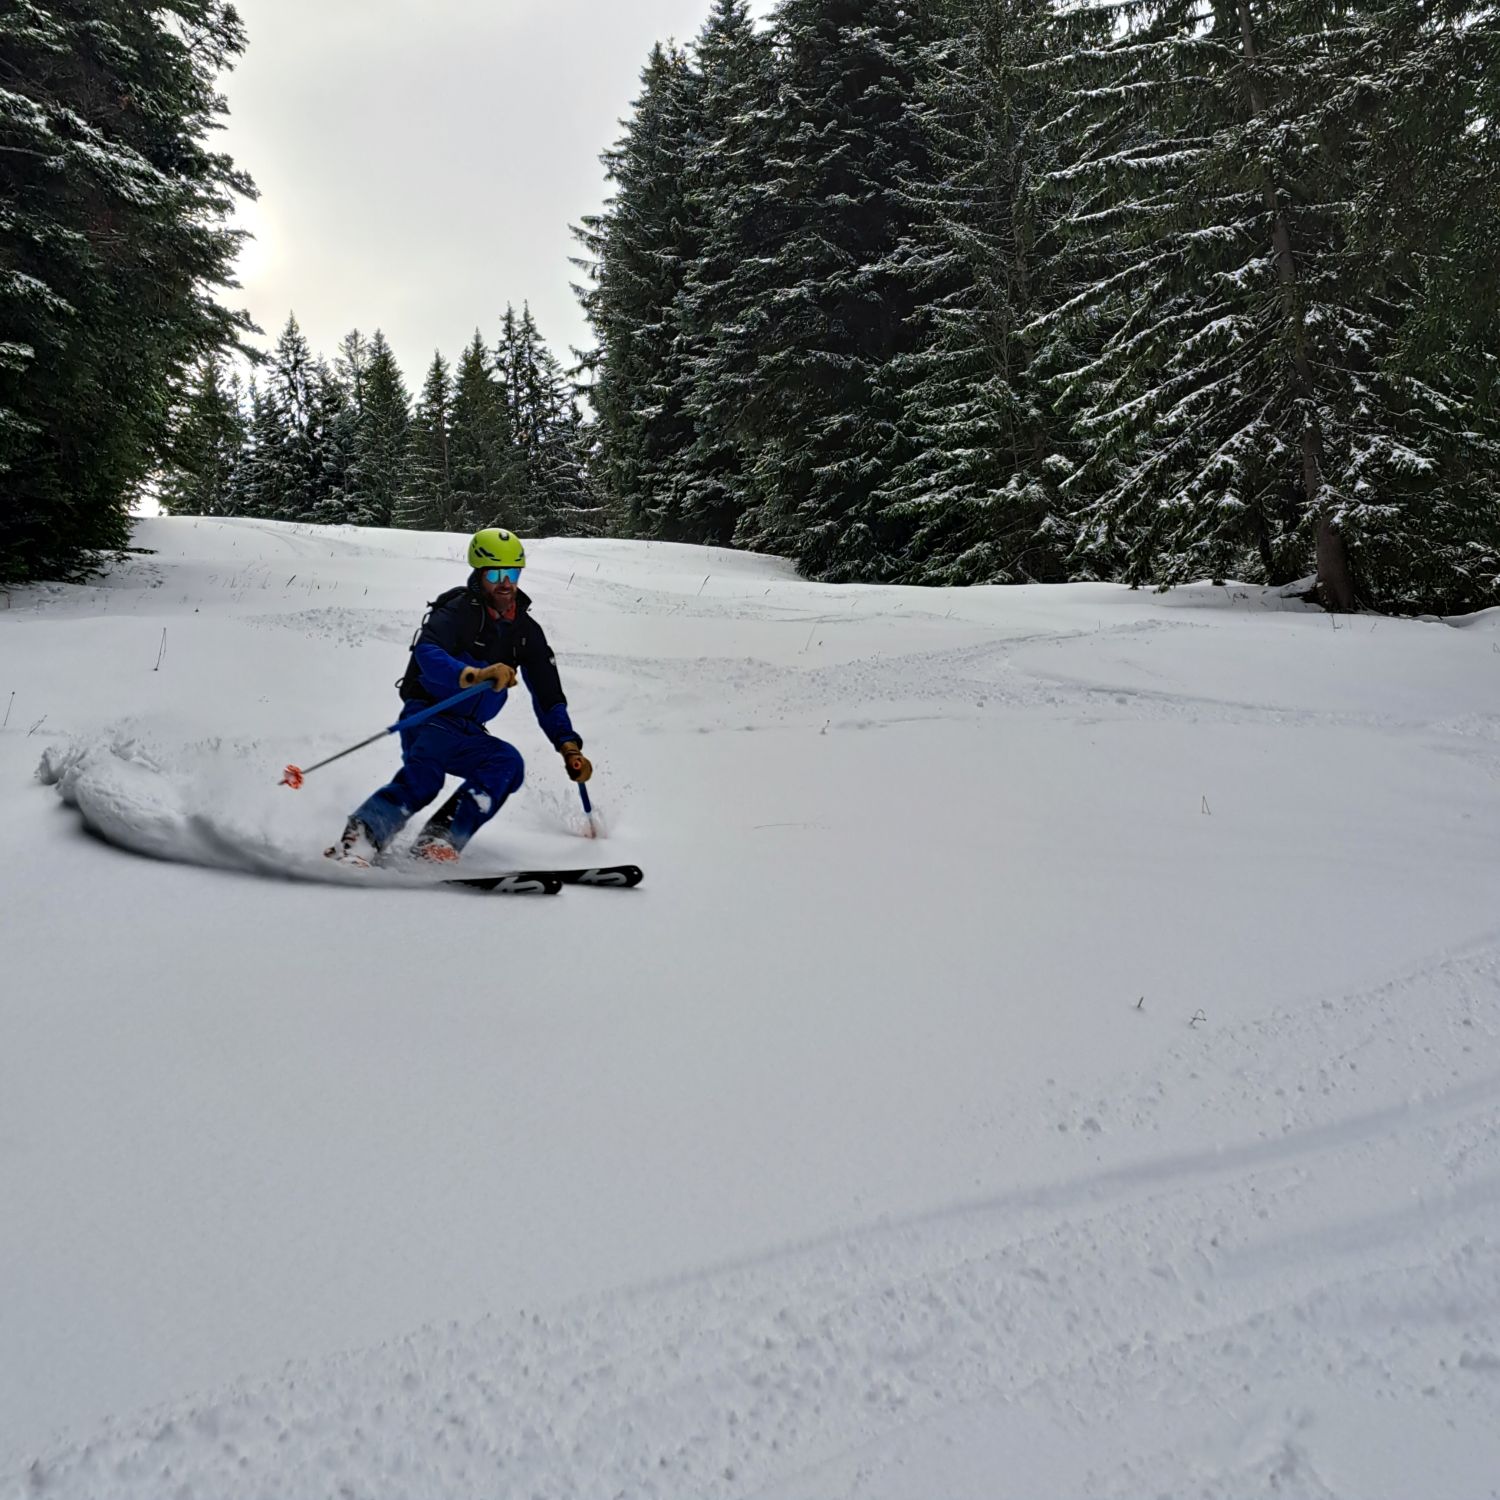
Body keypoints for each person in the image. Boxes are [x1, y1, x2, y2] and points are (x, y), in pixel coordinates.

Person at [329, 527, 592, 865]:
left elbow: (548, 694)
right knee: (425, 779)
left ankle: (440, 839)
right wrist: (475, 675)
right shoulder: (458, 612)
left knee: (507, 763)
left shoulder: (525, 632)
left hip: (469, 731)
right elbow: (428, 653)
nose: (505, 583)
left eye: (512, 574)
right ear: (480, 575)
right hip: (430, 715)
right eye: (495, 574)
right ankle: (362, 837)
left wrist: (568, 746)